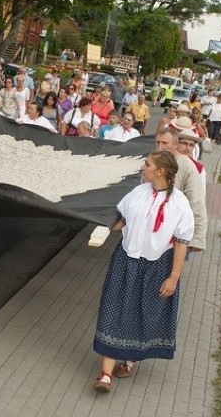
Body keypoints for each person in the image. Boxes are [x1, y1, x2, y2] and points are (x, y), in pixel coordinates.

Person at [91, 151, 193, 393]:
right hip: (125, 261)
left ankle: (129, 359)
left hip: (157, 266)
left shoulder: (180, 204)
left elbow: (181, 241)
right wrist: (97, 222)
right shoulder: (138, 192)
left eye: (147, 164)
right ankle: (105, 374)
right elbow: (122, 222)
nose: (142, 166)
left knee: (142, 312)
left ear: (160, 171)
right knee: (113, 310)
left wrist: (174, 277)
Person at [154, 128, 208, 252]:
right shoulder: (155, 160)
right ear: (177, 143)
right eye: (184, 143)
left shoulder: (191, 167)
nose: (187, 148)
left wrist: (198, 238)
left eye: (191, 145)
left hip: (174, 229)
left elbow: (197, 201)